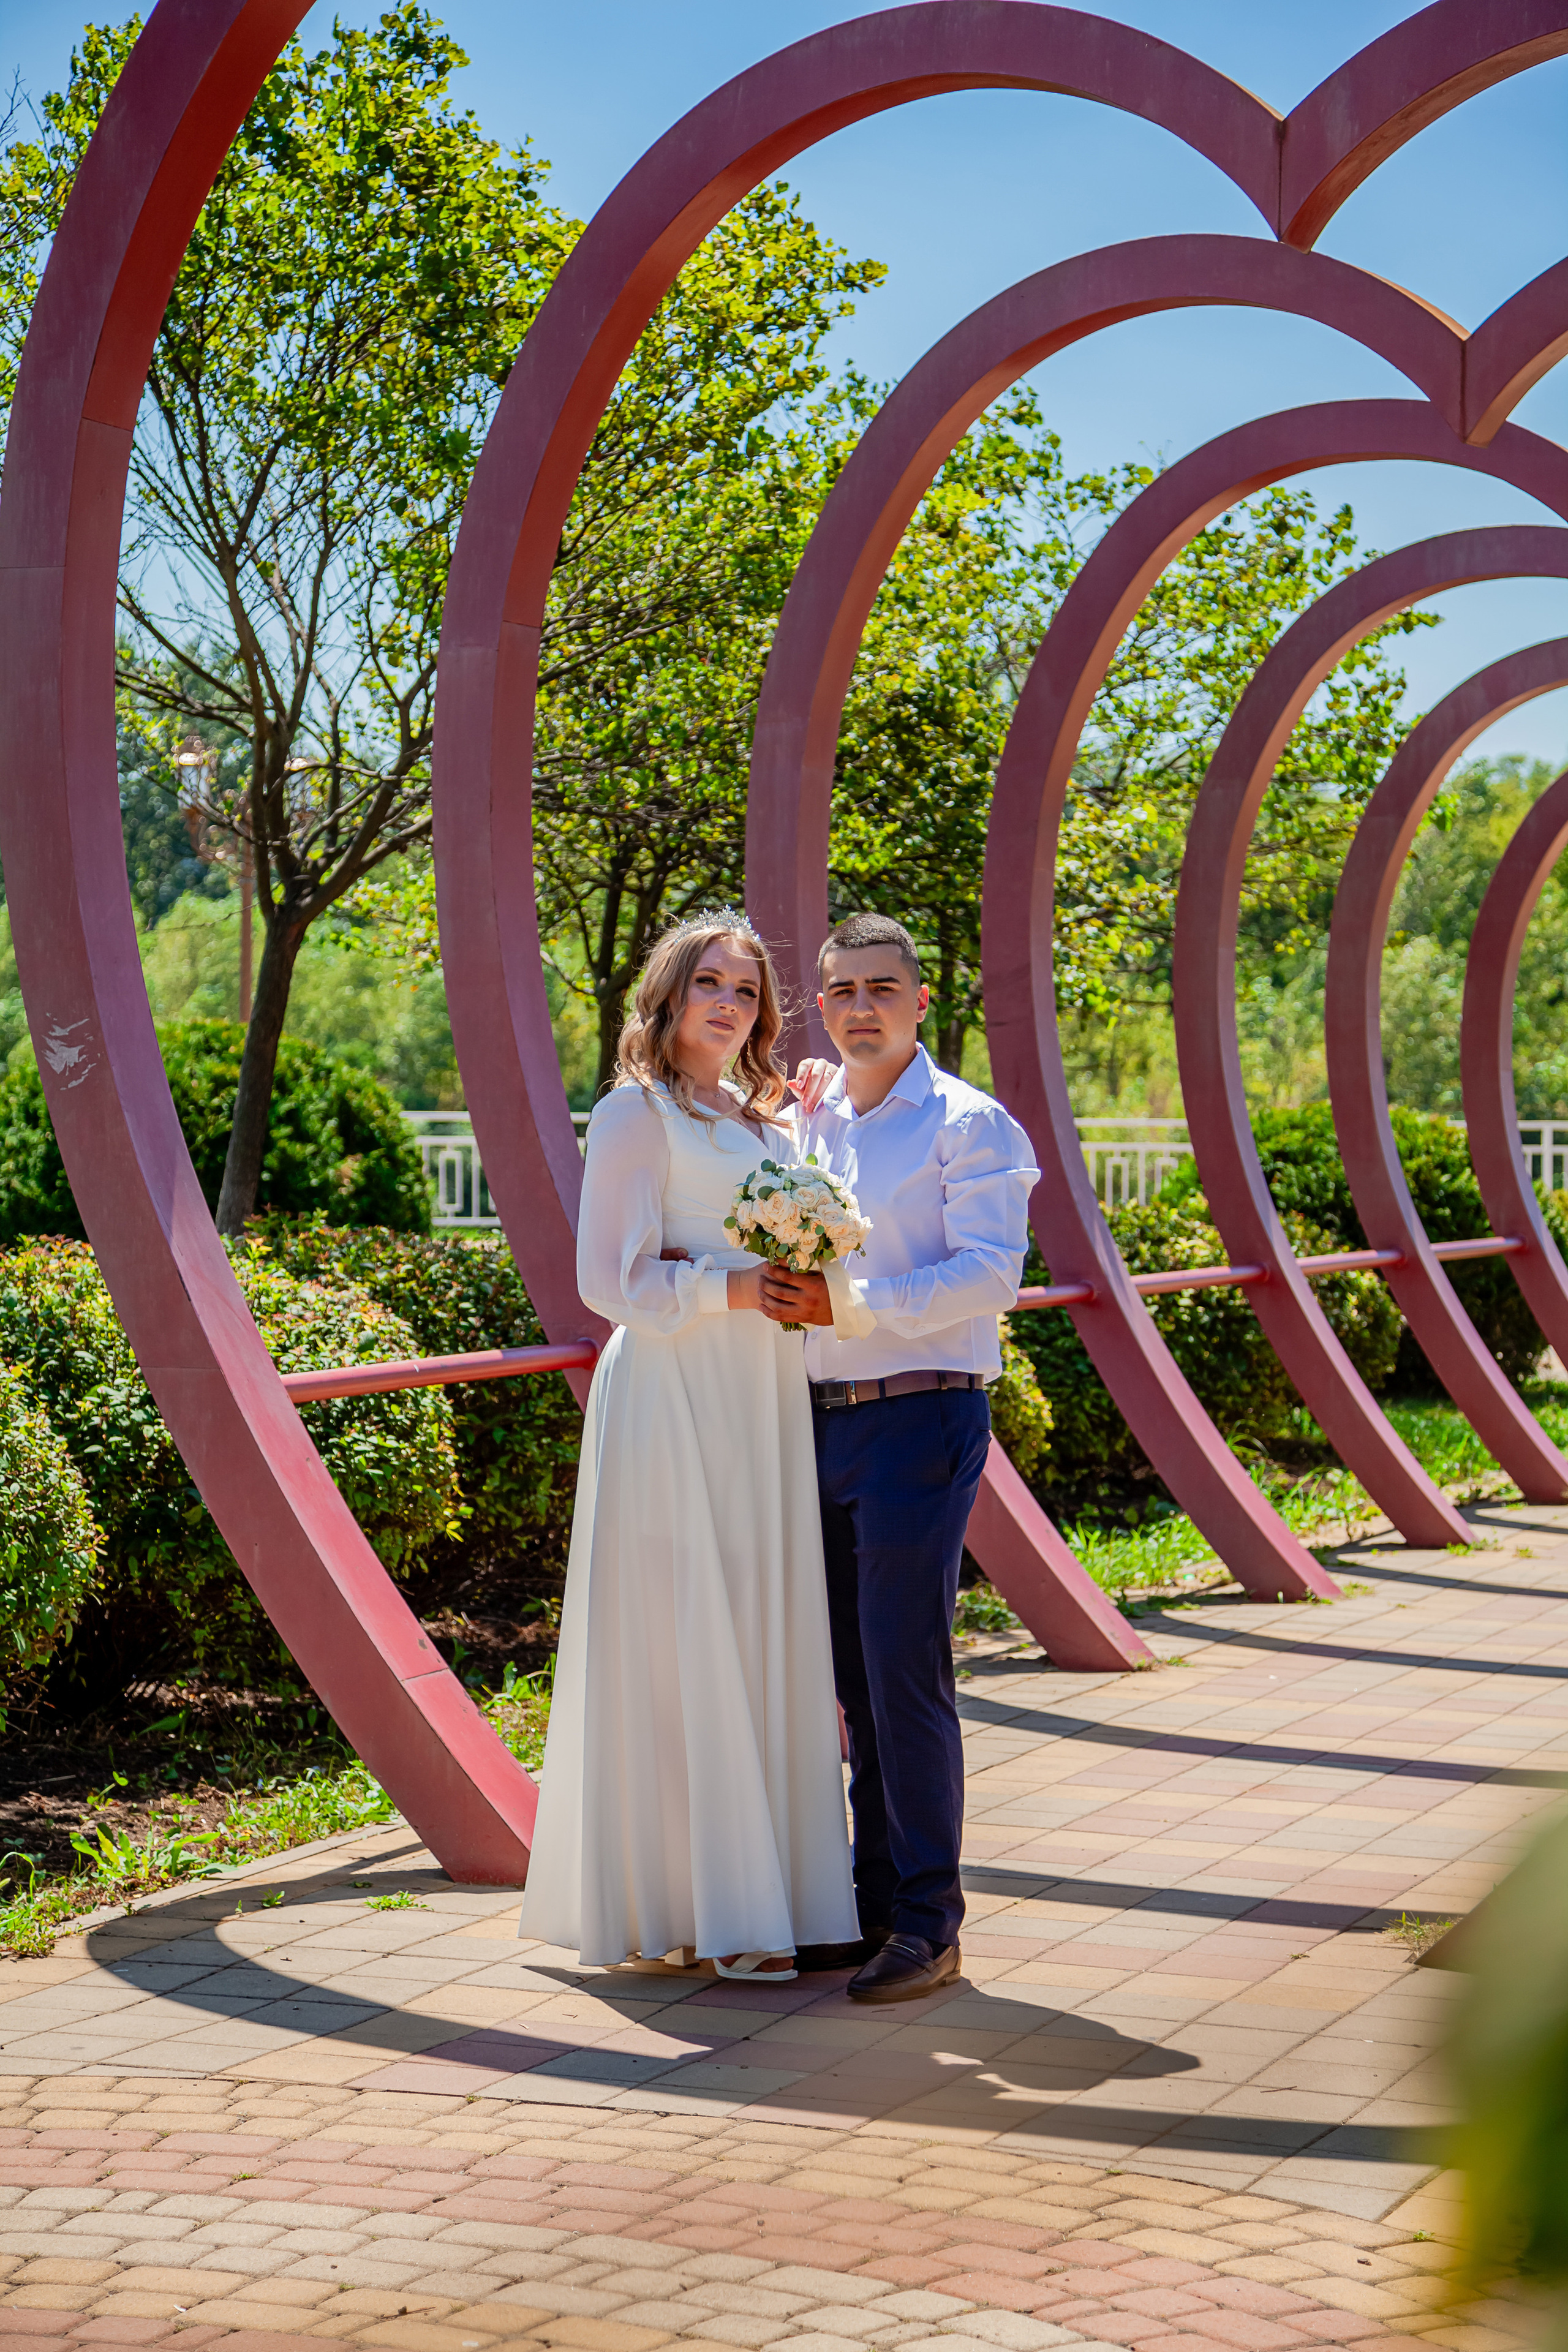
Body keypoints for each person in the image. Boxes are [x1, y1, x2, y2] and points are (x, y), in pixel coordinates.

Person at [519, 912, 859, 1979]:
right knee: (684, 1633)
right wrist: (731, 1285)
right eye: (709, 982)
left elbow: (794, 1220)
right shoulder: (635, 1114)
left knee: (763, 1622)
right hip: (672, 1391)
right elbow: (604, 1282)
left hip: (762, 1392)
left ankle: (775, 1893)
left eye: (748, 991)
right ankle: (688, 1903)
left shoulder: (763, 1123)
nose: (729, 1003)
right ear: (667, 995)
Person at [762, 913, 1039, 2004]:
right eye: (841, 992)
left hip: (922, 1420)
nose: (861, 1006)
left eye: (883, 988)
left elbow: (992, 1275)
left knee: (903, 1672)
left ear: (922, 1002)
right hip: (818, 1421)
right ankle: (872, 1907)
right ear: (821, 1008)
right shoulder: (817, 1124)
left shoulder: (967, 1124)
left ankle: (931, 1922)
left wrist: (854, 1304)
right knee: (851, 1683)